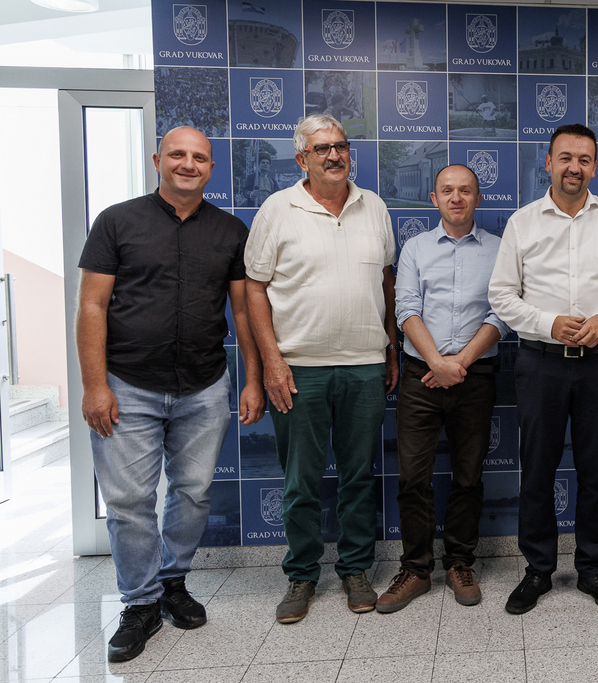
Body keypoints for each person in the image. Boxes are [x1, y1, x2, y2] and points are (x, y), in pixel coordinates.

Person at [77, 126, 265, 662]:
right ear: (158, 160)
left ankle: (173, 582)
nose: (188, 164)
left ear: (211, 168)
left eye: (199, 157)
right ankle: (140, 603)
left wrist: (252, 378)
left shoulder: (230, 231)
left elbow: (243, 312)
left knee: (194, 492)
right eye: (177, 155)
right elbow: (91, 305)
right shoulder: (117, 221)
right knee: (129, 502)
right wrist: (94, 385)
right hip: (127, 384)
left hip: (204, 386)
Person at [244, 114, 400, 623]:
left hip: (364, 366)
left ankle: (355, 569)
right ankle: (301, 576)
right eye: (321, 148)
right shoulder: (277, 209)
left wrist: (391, 348)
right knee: (300, 482)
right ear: (301, 159)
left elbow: (386, 281)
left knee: (359, 477)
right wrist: (272, 361)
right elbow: (254, 288)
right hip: (299, 369)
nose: (334, 155)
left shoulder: (374, 206)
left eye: (341, 146)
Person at [489, 123, 598, 614]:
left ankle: (592, 569)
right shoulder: (523, 222)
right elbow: (501, 295)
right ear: (549, 163)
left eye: (583, 159)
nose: (574, 167)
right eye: (565, 158)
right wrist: (548, 323)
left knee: (596, 470)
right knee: (537, 471)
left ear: (594, 166)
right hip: (541, 364)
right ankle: (537, 570)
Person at [377, 165, 510, 613]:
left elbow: (501, 313)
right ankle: (416, 569)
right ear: (433, 199)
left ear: (478, 198)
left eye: (465, 190)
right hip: (421, 375)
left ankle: (459, 563)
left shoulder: (500, 249)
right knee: (412, 477)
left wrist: (459, 364)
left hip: (475, 376)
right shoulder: (415, 248)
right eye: (447, 190)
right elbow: (406, 308)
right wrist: (436, 362)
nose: (456, 198)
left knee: (468, 476)